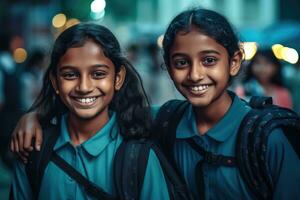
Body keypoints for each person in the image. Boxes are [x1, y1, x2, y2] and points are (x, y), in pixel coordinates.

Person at [11, 8, 300, 200]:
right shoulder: (166, 121)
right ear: (167, 67)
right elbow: (92, 110)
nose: (196, 74)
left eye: (209, 60)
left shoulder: (265, 139)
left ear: (234, 61)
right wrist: (36, 115)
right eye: (181, 63)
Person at [10, 23, 170, 199]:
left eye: (98, 74)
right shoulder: (32, 149)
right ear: (55, 82)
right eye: (70, 75)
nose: (84, 87)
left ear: (118, 78)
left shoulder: (140, 157)